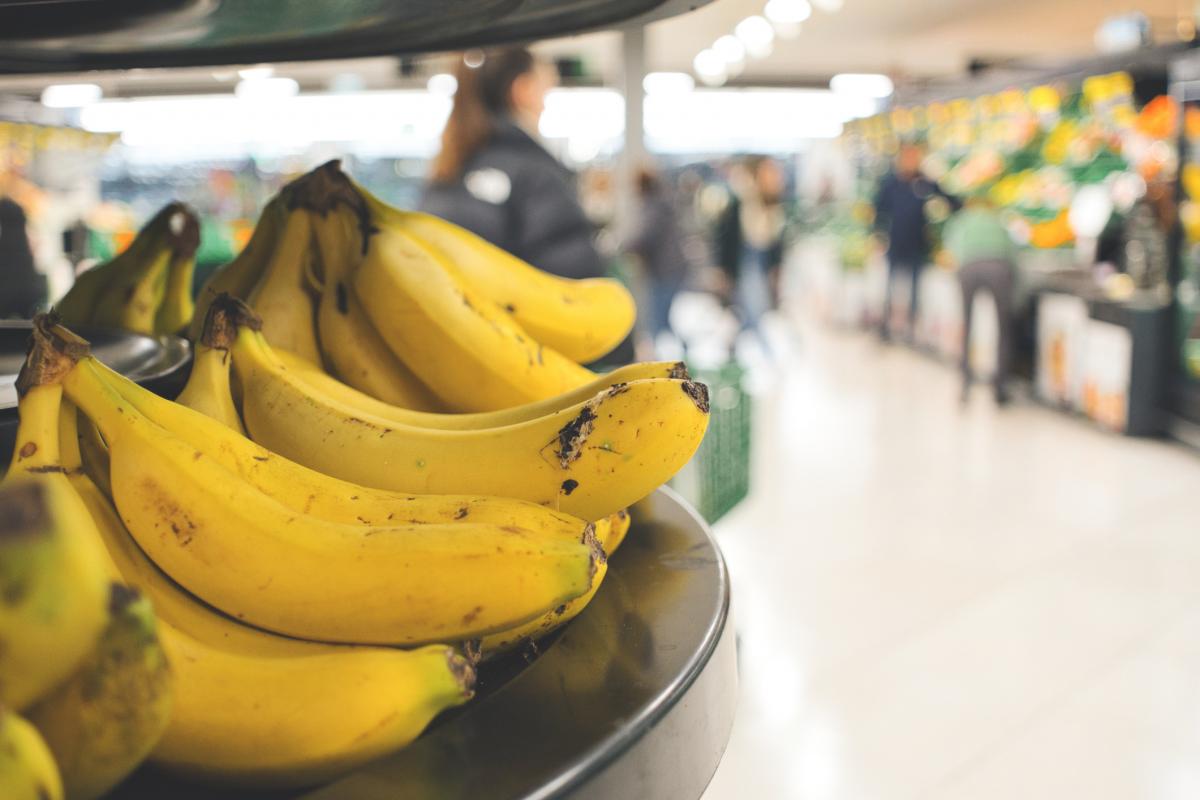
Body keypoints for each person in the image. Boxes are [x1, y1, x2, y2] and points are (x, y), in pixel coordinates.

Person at [421, 48, 606, 282]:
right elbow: (572, 281)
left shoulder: (448, 168)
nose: (546, 105)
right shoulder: (537, 178)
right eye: (547, 90)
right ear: (523, 90)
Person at [872, 142, 958, 342]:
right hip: (896, 243)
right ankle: (885, 328)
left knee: (914, 291)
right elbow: (878, 210)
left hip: (918, 244)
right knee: (891, 288)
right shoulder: (890, 183)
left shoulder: (925, 182)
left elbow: (951, 200)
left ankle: (910, 332)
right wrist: (877, 234)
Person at [943, 195, 1016, 404]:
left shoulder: (961, 220)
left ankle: (965, 383)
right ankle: (1000, 387)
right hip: (999, 266)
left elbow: (952, 250)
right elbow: (1012, 253)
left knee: (967, 324)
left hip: (969, 266)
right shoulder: (997, 219)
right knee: (1003, 328)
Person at [715, 155, 786, 354]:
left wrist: (776, 267)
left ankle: (732, 348)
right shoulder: (741, 198)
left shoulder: (772, 199)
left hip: (761, 259)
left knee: (747, 310)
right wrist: (722, 269)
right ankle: (768, 354)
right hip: (746, 259)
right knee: (754, 309)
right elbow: (725, 236)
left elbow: (776, 241)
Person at [623, 167, 689, 349]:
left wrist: (622, 246)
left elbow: (644, 236)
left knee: (660, 321)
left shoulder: (654, 206)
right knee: (667, 319)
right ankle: (681, 352)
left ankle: (673, 359)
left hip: (664, 270)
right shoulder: (663, 202)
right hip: (671, 267)